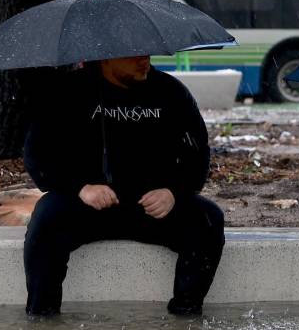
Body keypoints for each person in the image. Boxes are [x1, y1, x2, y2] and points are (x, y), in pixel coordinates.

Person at [22, 54, 225, 316]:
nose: (144, 61)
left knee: (208, 218)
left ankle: (186, 317)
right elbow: (38, 155)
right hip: (89, 206)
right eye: (134, 56)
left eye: (147, 53)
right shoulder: (67, 92)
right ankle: (43, 319)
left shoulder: (170, 92)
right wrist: (81, 188)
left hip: (152, 208)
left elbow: (197, 156)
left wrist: (173, 191)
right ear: (105, 58)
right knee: (46, 218)